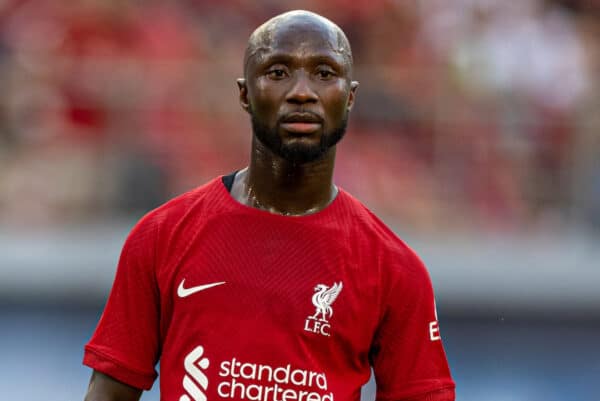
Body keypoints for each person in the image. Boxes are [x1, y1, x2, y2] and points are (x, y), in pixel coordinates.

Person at [83, 10, 455, 401]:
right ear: (245, 94)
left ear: (349, 97)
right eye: (278, 72)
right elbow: (110, 392)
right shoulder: (163, 236)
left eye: (324, 73)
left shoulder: (392, 267)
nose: (301, 91)